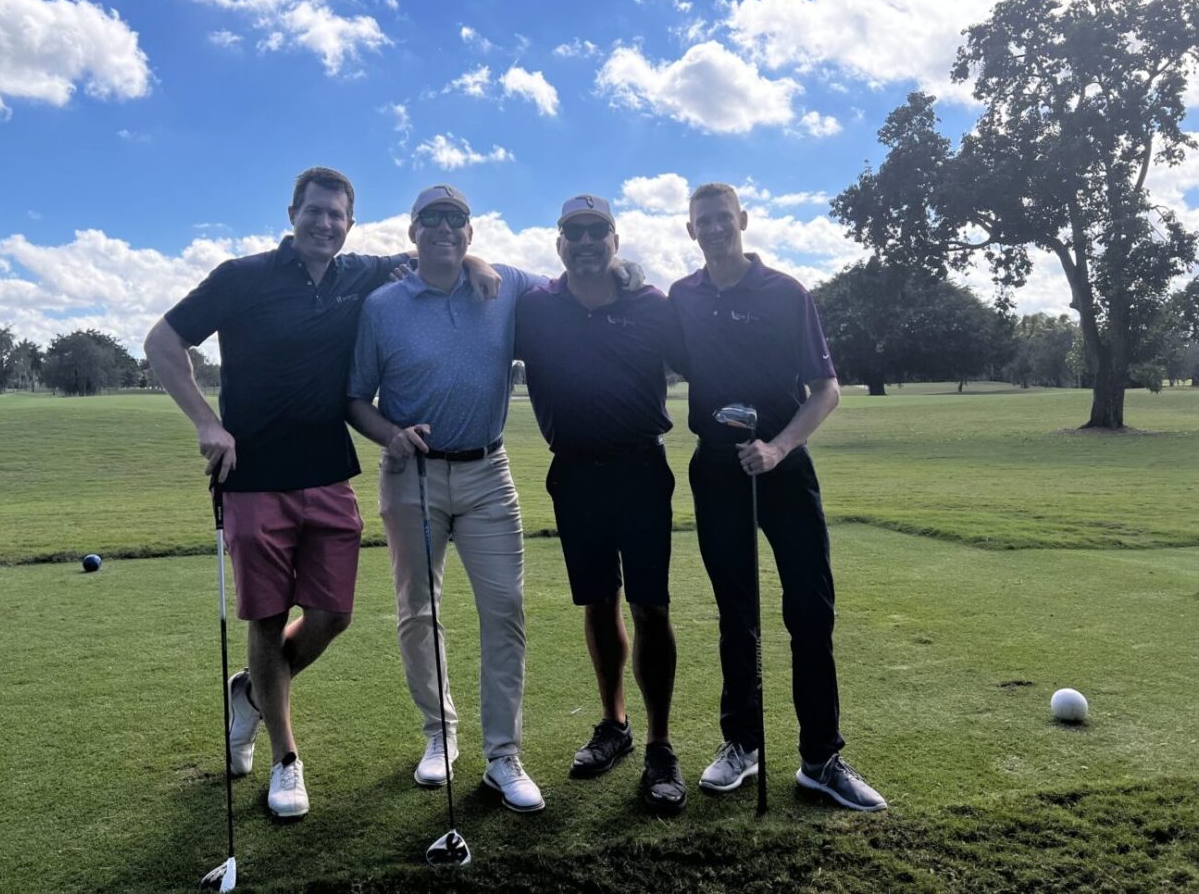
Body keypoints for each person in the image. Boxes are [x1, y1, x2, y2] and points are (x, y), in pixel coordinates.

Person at [145, 167, 498, 820]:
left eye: (337, 215)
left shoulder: (360, 274)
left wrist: (474, 257)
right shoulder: (240, 277)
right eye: (314, 212)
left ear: (350, 223)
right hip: (251, 479)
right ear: (292, 213)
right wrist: (205, 421)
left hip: (328, 475)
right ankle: (284, 759)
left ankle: (251, 692)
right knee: (267, 619)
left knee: (333, 615)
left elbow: (435, 247)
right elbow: (162, 342)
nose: (324, 224)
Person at [668, 182, 887, 812]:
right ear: (690, 231)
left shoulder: (787, 293)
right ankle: (741, 743)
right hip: (716, 468)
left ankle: (821, 759)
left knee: (811, 611)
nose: (713, 228)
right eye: (701, 221)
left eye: (721, 218)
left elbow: (826, 390)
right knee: (737, 615)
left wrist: (778, 448)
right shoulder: (682, 296)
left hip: (783, 468)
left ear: (742, 219)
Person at [345, 184, 549, 814]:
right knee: (417, 609)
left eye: (454, 219)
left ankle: (502, 755)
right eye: (430, 219)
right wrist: (389, 433)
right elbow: (355, 397)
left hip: (489, 472)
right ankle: (439, 733)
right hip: (413, 475)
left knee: (505, 608)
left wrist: (629, 269)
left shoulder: (504, 284)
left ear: (470, 231)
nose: (442, 228)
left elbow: (567, 292)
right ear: (413, 232)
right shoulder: (382, 306)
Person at [514, 194, 690, 813]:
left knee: (651, 605)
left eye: (597, 232)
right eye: (574, 232)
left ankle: (661, 747)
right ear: (559, 243)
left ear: (615, 240)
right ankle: (615, 726)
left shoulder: (651, 304)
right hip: (575, 475)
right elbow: (479, 295)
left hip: (641, 467)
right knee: (597, 600)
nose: (586, 241)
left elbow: (701, 357)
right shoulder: (535, 308)